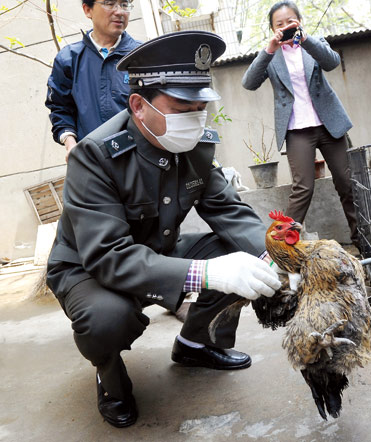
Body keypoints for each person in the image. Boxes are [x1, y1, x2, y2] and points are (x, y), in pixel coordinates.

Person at [45, 31, 282, 428]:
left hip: (156, 251)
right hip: (89, 268)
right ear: (139, 105)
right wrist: (205, 273)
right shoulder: (95, 156)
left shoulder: (195, 147)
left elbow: (230, 213)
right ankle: (110, 378)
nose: (194, 117)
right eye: (181, 106)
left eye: (200, 106)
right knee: (106, 319)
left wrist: (277, 259)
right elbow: (109, 255)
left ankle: (194, 343)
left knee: (238, 255)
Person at [242, 0, 360, 250]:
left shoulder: (313, 45)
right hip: (297, 131)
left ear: (300, 22)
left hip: (330, 125)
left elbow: (332, 62)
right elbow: (249, 83)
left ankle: (363, 243)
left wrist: (305, 39)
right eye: (279, 24)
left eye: (290, 22)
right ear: (272, 28)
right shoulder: (272, 57)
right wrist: (269, 49)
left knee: (347, 184)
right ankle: (283, 250)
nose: (285, 27)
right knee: (302, 188)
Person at [45, 0, 141, 161]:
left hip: (139, 159)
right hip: (92, 162)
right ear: (87, 10)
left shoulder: (143, 56)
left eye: (124, 4)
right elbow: (60, 108)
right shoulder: (68, 59)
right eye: (110, 4)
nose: (119, 11)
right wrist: (71, 145)